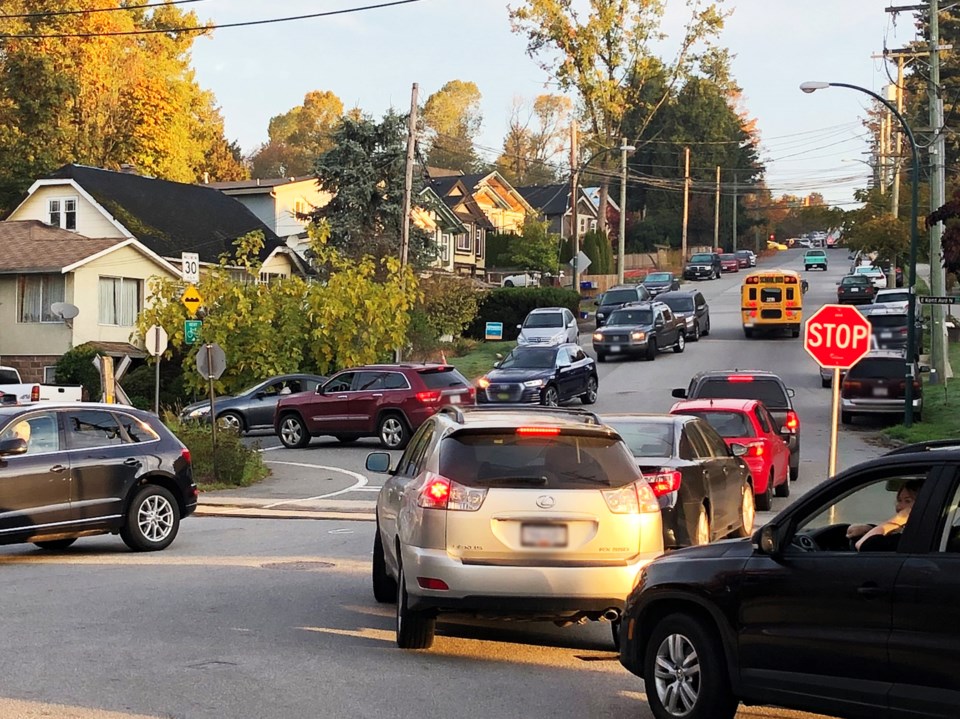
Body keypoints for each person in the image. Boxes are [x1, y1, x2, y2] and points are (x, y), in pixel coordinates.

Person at [846, 480, 921, 550]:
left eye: (907, 501)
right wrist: (869, 529)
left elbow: (863, 544)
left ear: (922, 504)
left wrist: (898, 520)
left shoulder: (913, 538)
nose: (899, 507)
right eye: (899, 500)